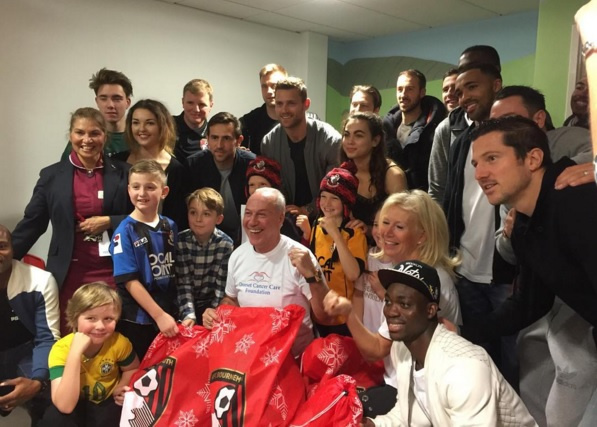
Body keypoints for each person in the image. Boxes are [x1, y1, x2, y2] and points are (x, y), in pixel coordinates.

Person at [468, 116, 597, 426]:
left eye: (492, 158)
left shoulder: (575, 200)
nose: (480, 174)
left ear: (533, 158)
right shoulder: (525, 223)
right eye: (475, 163)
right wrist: (464, 333)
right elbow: (531, 301)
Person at [324, 190, 461, 417]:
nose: (385, 232)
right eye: (384, 223)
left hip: (426, 396)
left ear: (422, 236)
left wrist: (348, 313)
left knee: (343, 412)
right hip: (399, 382)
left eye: (399, 227)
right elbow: (378, 348)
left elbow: (376, 351)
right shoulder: (402, 273)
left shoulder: (431, 281)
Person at [359, 260, 536, 427]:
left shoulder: (464, 368)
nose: (391, 311)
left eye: (404, 304)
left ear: (430, 310)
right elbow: (409, 413)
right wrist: (376, 424)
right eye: (388, 301)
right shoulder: (402, 348)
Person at [12, 107, 131, 334]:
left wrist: (110, 220)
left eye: (95, 133)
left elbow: (143, 217)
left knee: (112, 335)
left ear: (105, 136)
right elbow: (33, 223)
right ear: (70, 135)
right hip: (69, 272)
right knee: (70, 335)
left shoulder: (124, 172)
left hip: (113, 269)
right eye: (80, 133)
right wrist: (5, 259)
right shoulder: (51, 176)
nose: (87, 140)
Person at [202, 187, 330, 357]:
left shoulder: (302, 257)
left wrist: (312, 277)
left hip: (294, 360)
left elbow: (325, 317)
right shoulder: (237, 255)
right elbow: (231, 300)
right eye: (248, 213)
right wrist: (217, 313)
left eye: (261, 215)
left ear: (280, 218)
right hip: (251, 357)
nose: (252, 221)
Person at [39, 282, 139, 427]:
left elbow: (132, 368)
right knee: (55, 418)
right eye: (91, 318)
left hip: (106, 403)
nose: (100, 326)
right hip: (75, 403)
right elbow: (65, 405)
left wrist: (121, 387)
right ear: (75, 318)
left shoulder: (119, 342)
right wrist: (74, 353)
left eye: (108, 319)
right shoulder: (61, 349)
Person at [109, 160, 179, 359]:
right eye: (136, 187)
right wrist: (159, 315)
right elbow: (129, 281)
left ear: (164, 191)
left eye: (150, 187)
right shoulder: (124, 231)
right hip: (138, 320)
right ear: (128, 190)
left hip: (168, 313)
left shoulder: (170, 226)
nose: (142, 193)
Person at [296, 164, 368, 337]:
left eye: (334, 198)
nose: (326, 204)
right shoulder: (317, 225)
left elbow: (353, 274)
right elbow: (311, 264)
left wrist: (336, 235)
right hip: (319, 312)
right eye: (323, 197)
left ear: (346, 202)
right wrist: (307, 234)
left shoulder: (354, 233)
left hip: (343, 317)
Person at [0, 225, 59, 425]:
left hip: (26, 353)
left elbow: (47, 337)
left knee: (55, 400)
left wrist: (38, 382)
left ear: (13, 249)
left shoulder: (40, 280)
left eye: (2, 246)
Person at [428, 45, 501, 203]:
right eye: (459, 93)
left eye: (472, 87)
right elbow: (438, 190)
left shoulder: (518, 123)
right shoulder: (451, 133)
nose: (464, 97)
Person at [261, 77, 341, 214]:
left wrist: (307, 210)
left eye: (291, 103)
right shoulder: (269, 142)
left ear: (306, 104)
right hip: (285, 217)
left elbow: (334, 189)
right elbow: (273, 186)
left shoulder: (330, 140)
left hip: (326, 218)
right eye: (279, 104)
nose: (284, 110)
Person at [114, 99, 188, 230]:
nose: (141, 129)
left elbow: (177, 218)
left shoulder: (177, 169)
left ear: (162, 126)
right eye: (136, 123)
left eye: (150, 123)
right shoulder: (117, 162)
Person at [187, 112, 256, 245]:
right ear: (207, 139)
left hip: (246, 237)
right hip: (206, 239)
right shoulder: (194, 165)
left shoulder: (251, 165)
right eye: (214, 137)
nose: (219, 145)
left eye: (226, 138)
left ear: (239, 141)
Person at [340, 111, 407, 231]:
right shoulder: (342, 172)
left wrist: (369, 230)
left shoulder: (393, 175)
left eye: (358, 135)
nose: (350, 141)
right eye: (346, 135)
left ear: (375, 141)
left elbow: (401, 226)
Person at [176, 188, 233, 325]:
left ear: (218, 219)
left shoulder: (225, 244)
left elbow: (221, 287)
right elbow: (183, 283)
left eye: (206, 214)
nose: (198, 219)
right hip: (183, 303)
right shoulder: (180, 241)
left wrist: (214, 312)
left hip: (211, 304)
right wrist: (189, 315)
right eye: (193, 212)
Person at [383, 69, 446, 191]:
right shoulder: (386, 130)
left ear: (422, 92)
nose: (403, 95)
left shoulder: (434, 130)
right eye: (400, 89)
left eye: (410, 89)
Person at [60, 68, 133, 159]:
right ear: (97, 101)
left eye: (117, 98)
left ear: (128, 102)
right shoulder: (83, 139)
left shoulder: (138, 137)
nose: (110, 105)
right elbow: (63, 171)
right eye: (103, 98)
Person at [241, 156, 304, 244]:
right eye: (252, 185)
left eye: (262, 184)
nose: (257, 189)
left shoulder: (289, 218)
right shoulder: (244, 214)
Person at [173, 79, 213, 162]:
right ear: (182, 102)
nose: (196, 109)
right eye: (190, 103)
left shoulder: (216, 134)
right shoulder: (165, 126)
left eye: (202, 104)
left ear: (211, 105)